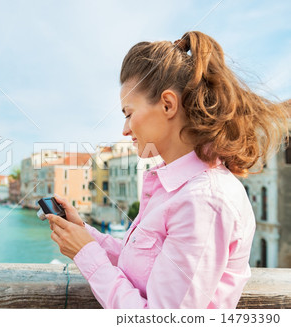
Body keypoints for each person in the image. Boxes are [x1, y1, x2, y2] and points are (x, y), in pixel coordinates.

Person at [46, 31, 289, 309]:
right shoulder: (175, 187)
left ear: (167, 104)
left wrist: (86, 254)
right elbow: (139, 265)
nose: (125, 129)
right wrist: (85, 235)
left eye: (128, 113)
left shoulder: (203, 201)